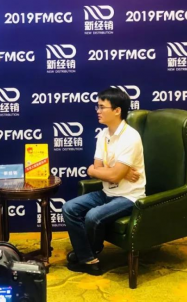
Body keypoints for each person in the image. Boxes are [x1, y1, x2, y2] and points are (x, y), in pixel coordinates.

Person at [62, 87, 146, 275]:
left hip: (129, 197)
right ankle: (87, 256)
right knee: (69, 208)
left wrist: (104, 171)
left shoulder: (131, 137)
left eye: (102, 107)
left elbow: (108, 174)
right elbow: (96, 169)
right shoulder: (103, 135)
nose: (98, 111)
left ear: (117, 110)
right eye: (97, 107)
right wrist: (112, 171)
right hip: (107, 192)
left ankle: (87, 258)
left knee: (93, 216)